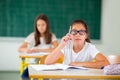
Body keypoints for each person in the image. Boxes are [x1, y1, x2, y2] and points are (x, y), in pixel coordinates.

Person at [45, 19, 110, 69]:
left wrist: (80, 64)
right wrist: (61, 44)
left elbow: (106, 63)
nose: (78, 34)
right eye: (74, 31)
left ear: (86, 35)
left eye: (81, 32)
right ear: (70, 34)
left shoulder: (90, 48)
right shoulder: (66, 45)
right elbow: (47, 62)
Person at [18, 14, 59, 80]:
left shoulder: (52, 36)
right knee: (25, 76)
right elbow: (20, 48)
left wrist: (39, 50)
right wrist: (26, 50)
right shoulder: (32, 35)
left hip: (47, 65)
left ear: (47, 25)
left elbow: (57, 49)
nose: (40, 27)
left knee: (46, 78)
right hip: (34, 65)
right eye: (38, 25)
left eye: (43, 25)